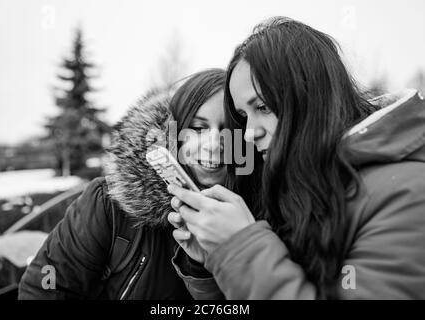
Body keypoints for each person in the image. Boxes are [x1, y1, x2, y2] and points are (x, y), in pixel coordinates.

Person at [168, 17, 425, 299]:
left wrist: (239, 247)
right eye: (243, 117)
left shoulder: (407, 193)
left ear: (309, 95)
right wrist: (216, 261)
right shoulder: (294, 187)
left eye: (263, 106)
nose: (248, 134)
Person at [18, 68, 227, 299]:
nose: (214, 143)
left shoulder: (257, 219)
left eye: (230, 130)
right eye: (198, 128)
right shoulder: (109, 206)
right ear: (172, 134)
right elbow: (44, 286)